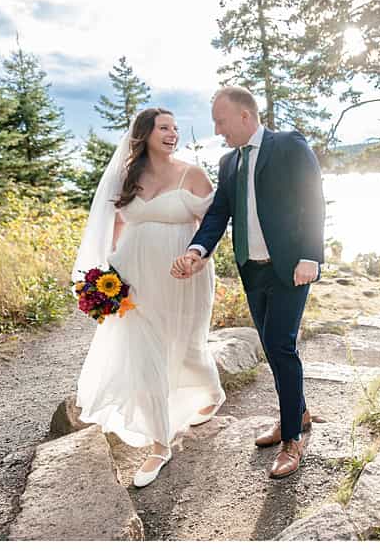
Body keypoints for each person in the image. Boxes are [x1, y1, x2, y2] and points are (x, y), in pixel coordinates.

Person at [171, 85, 324, 479]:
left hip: (290, 266)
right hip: (252, 270)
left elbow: (313, 198)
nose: (218, 130)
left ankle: (292, 438)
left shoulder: (288, 144)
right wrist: (197, 250)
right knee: (273, 349)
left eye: (221, 122)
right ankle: (298, 412)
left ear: (244, 115)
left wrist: (311, 256)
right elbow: (219, 214)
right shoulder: (229, 163)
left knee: (280, 345)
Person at [72, 107, 224, 488]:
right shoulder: (128, 176)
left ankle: (212, 390)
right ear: (145, 133)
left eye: (175, 127)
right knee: (145, 355)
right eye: (164, 127)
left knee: (187, 346)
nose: (172, 133)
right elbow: (119, 224)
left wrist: (197, 258)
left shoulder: (193, 173)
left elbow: (213, 222)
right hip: (133, 275)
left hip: (183, 274)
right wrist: (107, 276)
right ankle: (160, 443)